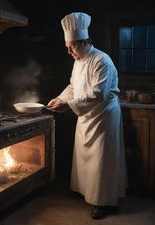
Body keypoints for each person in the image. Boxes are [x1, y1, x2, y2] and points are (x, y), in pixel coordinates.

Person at [48, 12, 128, 219]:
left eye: (73, 46)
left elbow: (98, 93)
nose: (69, 51)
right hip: (85, 116)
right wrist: (60, 99)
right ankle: (85, 191)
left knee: (101, 161)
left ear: (86, 42)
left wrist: (69, 104)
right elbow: (74, 86)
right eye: (67, 47)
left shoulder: (102, 60)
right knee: (85, 159)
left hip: (103, 117)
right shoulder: (78, 60)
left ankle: (105, 202)